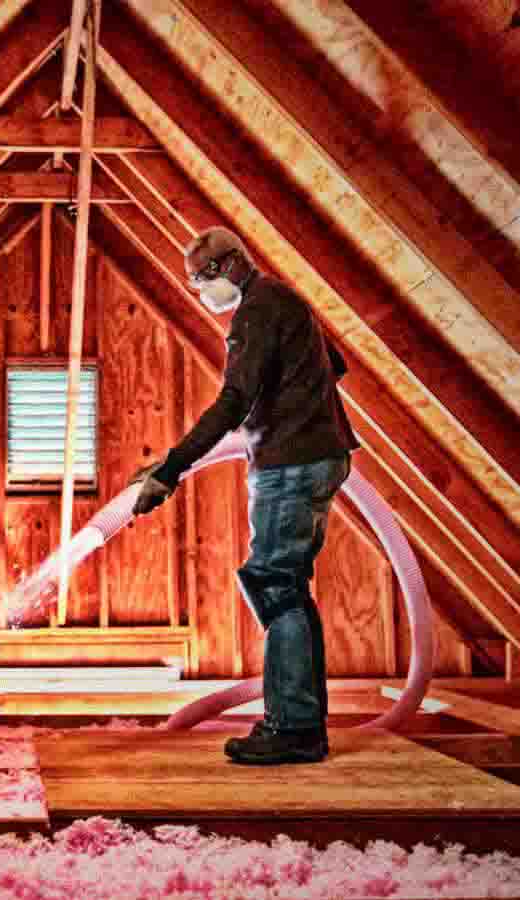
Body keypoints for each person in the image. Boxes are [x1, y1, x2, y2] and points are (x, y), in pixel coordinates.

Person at [131, 226, 359, 765]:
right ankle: (302, 721)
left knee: (274, 583)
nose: (202, 293)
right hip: (318, 454)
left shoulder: (256, 310)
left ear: (229, 268)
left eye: (201, 282)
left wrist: (172, 468)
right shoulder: (284, 300)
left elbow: (234, 399)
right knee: (288, 586)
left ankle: (294, 728)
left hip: (292, 462)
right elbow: (336, 365)